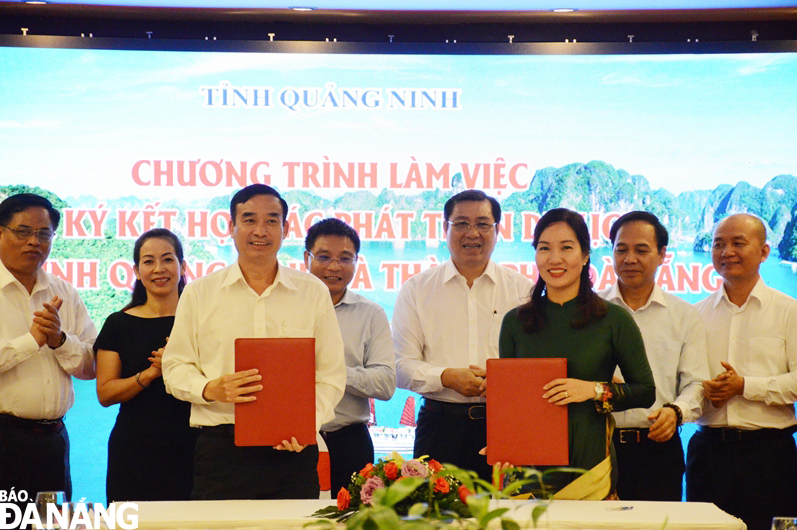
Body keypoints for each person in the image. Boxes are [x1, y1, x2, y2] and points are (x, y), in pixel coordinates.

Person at [162, 184, 346, 500]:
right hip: (221, 450)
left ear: (285, 229)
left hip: (294, 450)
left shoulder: (312, 292)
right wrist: (209, 388)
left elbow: (330, 376)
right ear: (231, 227)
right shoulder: (199, 293)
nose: (260, 230)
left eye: (271, 220)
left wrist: (306, 424)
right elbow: (175, 366)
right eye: (249, 220)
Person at [499, 208, 655, 499]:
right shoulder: (515, 322)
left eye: (566, 248)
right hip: (527, 476)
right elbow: (511, 404)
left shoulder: (614, 319)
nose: (554, 259)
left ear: (585, 256)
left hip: (590, 472)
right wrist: (502, 443)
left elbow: (646, 392)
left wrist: (593, 390)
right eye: (544, 248)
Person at [393, 189, 534, 481]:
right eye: (461, 224)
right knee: (434, 520)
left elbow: (536, 365)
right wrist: (446, 377)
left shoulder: (522, 291)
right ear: (445, 228)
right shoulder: (417, 289)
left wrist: (504, 380)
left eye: (483, 224)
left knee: (503, 518)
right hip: (439, 425)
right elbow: (400, 367)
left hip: (505, 424)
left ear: (498, 230)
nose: (473, 233)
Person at [686, 213, 797, 530]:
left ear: (764, 251)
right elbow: (687, 383)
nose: (726, 252)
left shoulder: (790, 311)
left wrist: (744, 386)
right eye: (718, 243)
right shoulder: (697, 314)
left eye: (738, 243)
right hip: (708, 454)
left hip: (770, 456)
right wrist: (705, 394)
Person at [599, 211, 709, 501]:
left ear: (662, 255)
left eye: (641, 250)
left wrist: (676, 412)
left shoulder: (685, 315)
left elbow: (697, 383)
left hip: (658, 450)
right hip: (597, 448)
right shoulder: (589, 311)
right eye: (621, 249)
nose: (629, 258)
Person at [0, 193, 97, 503]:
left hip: (52, 442)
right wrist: (33, 341)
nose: (34, 243)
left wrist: (60, 341)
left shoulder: (63, 291)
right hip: (2, 439)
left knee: (50, 524)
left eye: (44, 234)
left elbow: (92, 365)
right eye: (23, 231)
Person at [94, 228, 199, 503]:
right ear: (137, 271)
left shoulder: (202, 321)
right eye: (149, 262)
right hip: (135, 450)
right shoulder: (118, 323)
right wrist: (152, 373)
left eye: (167, 259)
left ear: (183, 266)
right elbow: (105, 393)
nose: (159, 269)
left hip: (196, 447)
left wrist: (178, 367)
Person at [304, 218, 396, 497]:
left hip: (350, 440)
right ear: (306, 258)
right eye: (323, 257)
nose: (334, 267)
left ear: (357, 262)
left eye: (345, 258)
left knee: (354, 521)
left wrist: (330, 371)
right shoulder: (284, 307)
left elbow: (386, 383)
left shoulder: (371, 314)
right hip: (295, 442)